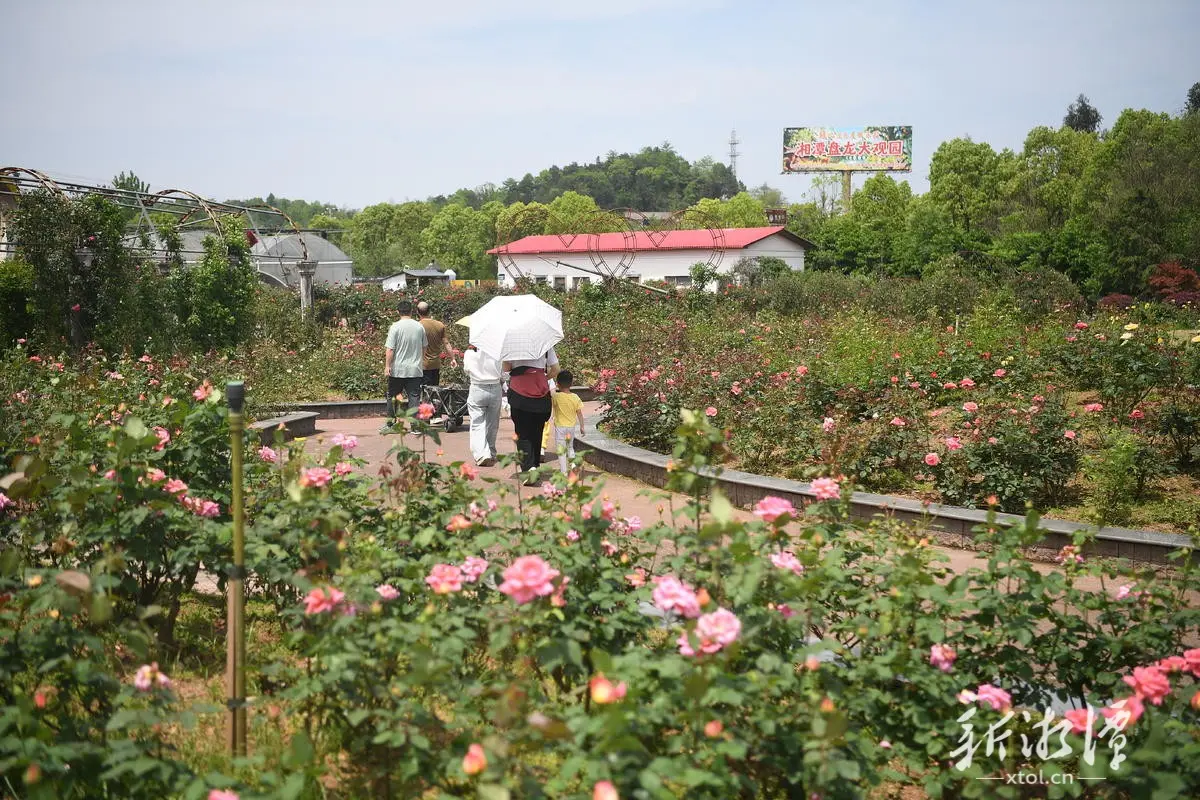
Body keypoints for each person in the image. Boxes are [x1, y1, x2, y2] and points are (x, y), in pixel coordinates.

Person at [503, 346, 559, 479]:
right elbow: (556, 369)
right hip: (540, 391)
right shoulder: (545, 345)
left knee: (522, 432)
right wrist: (544, 378)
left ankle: (528, 468)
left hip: (519, 392)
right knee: (537, 429)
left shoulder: (512, 344)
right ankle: (535, 465)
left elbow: (505, 368)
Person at [383, 299, 427, 421]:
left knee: (393, 396)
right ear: (412, 311)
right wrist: (420, 360)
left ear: (398, 312)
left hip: (397, 369)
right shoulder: (419, 326)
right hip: (414, 369)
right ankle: (415, 425)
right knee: (414, 397)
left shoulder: (395, 327)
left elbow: (390, 349)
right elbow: (424, 346)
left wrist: (387, 366)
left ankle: (391, 423)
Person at [463, 343, 503, 466]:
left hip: (477, 387)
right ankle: (491, 451)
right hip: (495, 387)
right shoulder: (498, 352)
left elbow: (467, 370)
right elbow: (504, 373)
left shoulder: (469, 353)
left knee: (477, 422)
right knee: (492, 423)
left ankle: (481, 454)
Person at [550, 370, 585, 474]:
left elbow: (550, 402)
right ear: (571, 383)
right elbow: (579, 413)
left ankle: (563, 472)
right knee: (570, 448)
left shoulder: (556, 396)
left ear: (557, 384)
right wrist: (582, 427)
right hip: (571, 427)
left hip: (560, 427)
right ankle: (574, 465)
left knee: (561, 451)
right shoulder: (575, 397)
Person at [417, 301, 457, 389]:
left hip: (422, 365)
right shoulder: (440, 325)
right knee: (435, 391)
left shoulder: (418, 326)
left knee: (424, 392)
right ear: (429, 311)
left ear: (418, 312)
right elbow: (446, 343)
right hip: (436, 364)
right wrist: (453, 358)